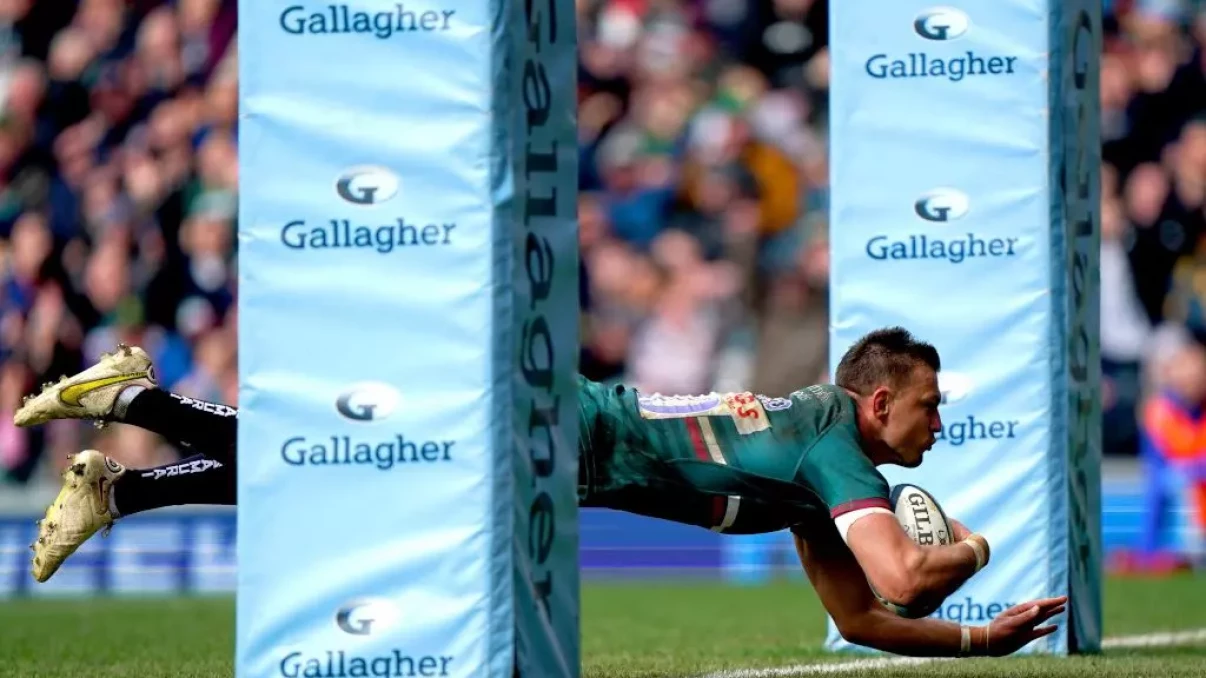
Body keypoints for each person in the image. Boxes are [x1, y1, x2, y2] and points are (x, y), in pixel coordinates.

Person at [15, 327, 1065, 657]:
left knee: (350, 489)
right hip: (566, 433)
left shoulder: (820, 471)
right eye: (929, 406)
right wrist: (970, 550)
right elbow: (904, 579)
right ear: (879, 403)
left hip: (570, 442)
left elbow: (865, 619)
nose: (941, 424)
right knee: (352, 470)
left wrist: (983, 641)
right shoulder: (835, 449)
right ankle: (139, 400)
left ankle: (125, 490)